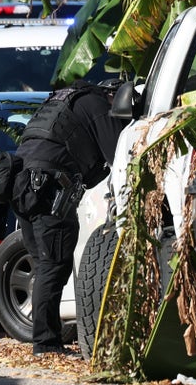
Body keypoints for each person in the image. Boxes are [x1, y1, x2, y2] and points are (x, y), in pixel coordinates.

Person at [11, 79, 126, 356]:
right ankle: (46, 344)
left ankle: (44, 340)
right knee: (53, 266)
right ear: (113, 97)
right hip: (50, 191)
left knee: (42, 265)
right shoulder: (97, 105)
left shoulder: (62, 101)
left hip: (24, 187)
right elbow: (119, 157)